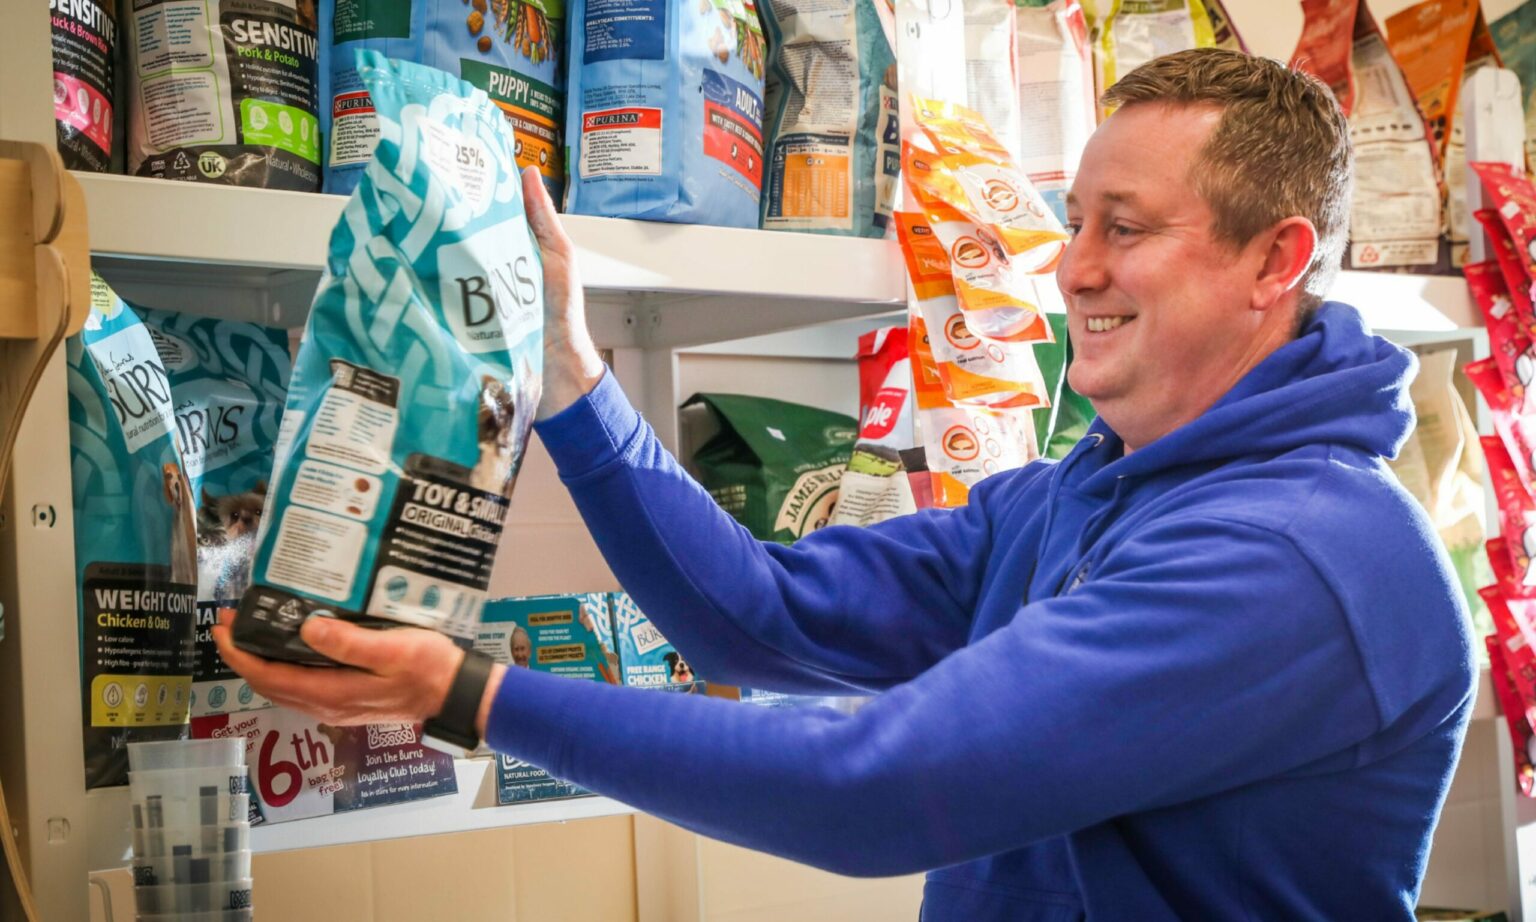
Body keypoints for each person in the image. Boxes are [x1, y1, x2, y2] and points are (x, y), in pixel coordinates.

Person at [214, 49, 1476, 918]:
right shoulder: (1075, 499)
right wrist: (573, 382)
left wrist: (473, 695)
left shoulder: (1304, 555)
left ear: (1277, 261)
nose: (1073, 270)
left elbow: (876, 787)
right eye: (1072, 219)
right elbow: (755, 616)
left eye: (1125, 228)